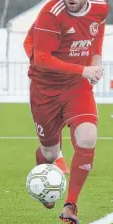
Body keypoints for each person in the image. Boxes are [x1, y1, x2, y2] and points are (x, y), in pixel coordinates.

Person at [23, 0, 109, 224]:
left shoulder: (100, 7)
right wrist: (82, 70)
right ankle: (43, 173)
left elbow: (98, 30)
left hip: (76, 86)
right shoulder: (51, 14)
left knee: (88, 136)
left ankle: (71, 204)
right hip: (45, 88)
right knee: (50, 153)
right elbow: (42, 60)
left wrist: (95, 61)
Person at [24, 28, 70, 175]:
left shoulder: (80, 20)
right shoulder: (46, 18)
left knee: (71, 121)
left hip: (68, 79)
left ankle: (65, 158)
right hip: (45, 84)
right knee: (52, 125)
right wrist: (39, 60)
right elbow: (28, 42)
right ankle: (57, 158)